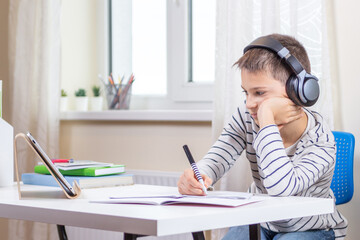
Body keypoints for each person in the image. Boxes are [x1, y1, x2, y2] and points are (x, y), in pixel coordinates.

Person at [177, 33, 347, 240]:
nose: (249, 103)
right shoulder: (247, 116)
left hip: (309, 227)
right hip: (262, 221)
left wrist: (267, 119)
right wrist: (198, 175)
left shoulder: (321, 140)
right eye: (245, 93)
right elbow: (220, 156)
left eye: (259, 93)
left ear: (299, 91)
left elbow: (280, 188)